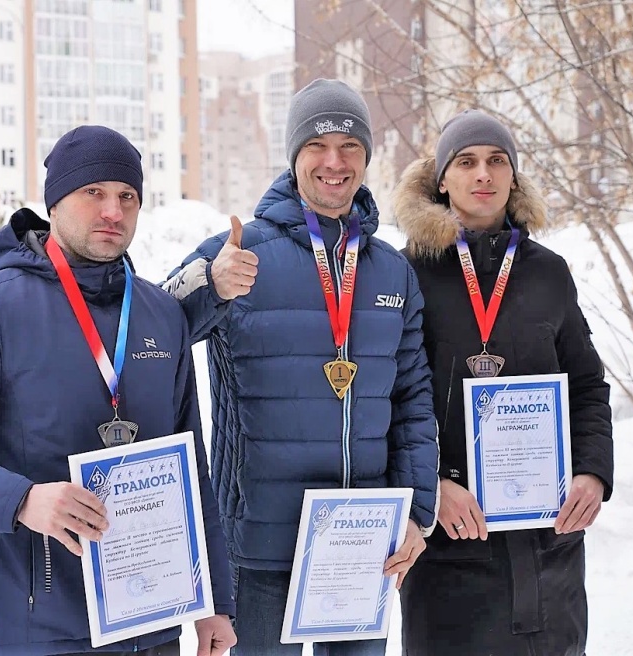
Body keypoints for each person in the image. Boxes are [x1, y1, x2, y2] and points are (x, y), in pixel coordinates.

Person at [0, 126, 236, 656]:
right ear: (55, 200)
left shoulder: (160, 314)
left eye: (127, 196)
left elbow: (191, 468)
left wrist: (214, 599)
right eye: (95, 192)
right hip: (41, 633)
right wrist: (20, 500)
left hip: (156, 625)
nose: (113, 210)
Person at [162, 78, 440, 656]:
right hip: (261, 545)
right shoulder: (239, 252)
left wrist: (416, 511)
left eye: (349, 146)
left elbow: (413, 399)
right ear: (293, 157)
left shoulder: (392, 272)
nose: (334, 162)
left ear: (367, 157)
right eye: (317, 145)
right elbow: (152, 335)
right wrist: (208, 288)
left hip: (362, 546)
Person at [392, 109, 614, 655]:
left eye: (497, 161)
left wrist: (591, 472)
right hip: (450, 545)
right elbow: (388, 397)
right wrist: (430, 487)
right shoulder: (407, 274)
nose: (483, 174)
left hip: (547, 547)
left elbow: (586, 383)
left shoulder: (548, 271)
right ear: (442, 179)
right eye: (466, 162)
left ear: (514, 176)